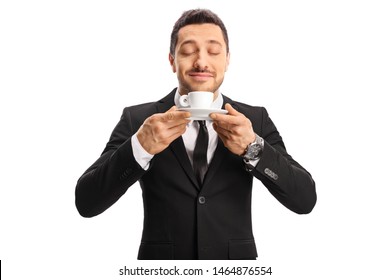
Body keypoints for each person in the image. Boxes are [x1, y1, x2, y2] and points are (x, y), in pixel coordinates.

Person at [75, 8, 316, 260]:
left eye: (213, 51)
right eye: (189, 51)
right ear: (172, 61)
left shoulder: (254, 120)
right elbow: (86, 202)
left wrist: (253, 147)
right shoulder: (139, 120)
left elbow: (305, 199)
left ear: (227, 59)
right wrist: (140, 147)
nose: (201, 62)